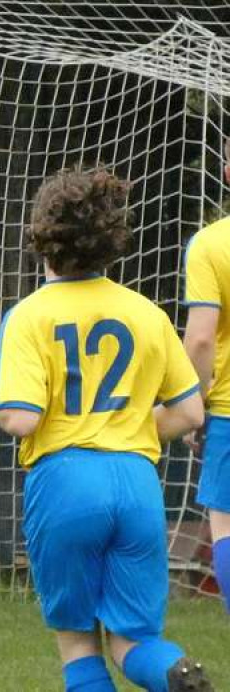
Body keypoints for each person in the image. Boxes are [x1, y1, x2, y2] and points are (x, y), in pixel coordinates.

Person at [0, 167, 211, 692]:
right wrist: (132, 425)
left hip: (65, 481)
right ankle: (175, 674)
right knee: (135, 641)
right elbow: (190, 414)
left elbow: (21, 419)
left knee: (78, 643)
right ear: (111, 242)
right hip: (136, 483)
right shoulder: (145, 312)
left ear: (40, 236)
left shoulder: (28, 316)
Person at [182, 138, 230, 616]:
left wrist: (192, 405)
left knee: (228, 527)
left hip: (229, 412)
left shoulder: (211, 243)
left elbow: (199, 340)